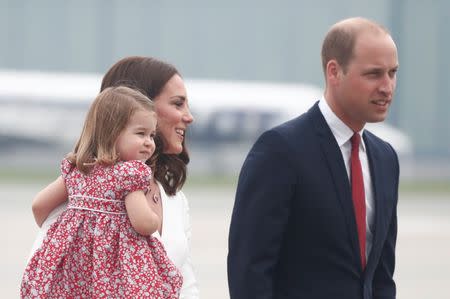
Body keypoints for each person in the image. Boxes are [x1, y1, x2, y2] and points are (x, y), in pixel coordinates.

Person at [227, 17, 400, 299]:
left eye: (392, 73)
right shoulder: (280, 151)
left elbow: (381, 276)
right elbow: (249, 271)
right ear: (334, 72)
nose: (387, 86)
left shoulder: (385, 159)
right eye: (373, 74)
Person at [28, 56, 199, 298]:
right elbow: (51, 261)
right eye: (178, 104)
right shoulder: (82, 189)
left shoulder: (174, 199)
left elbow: (187, 284)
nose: (189, 116)